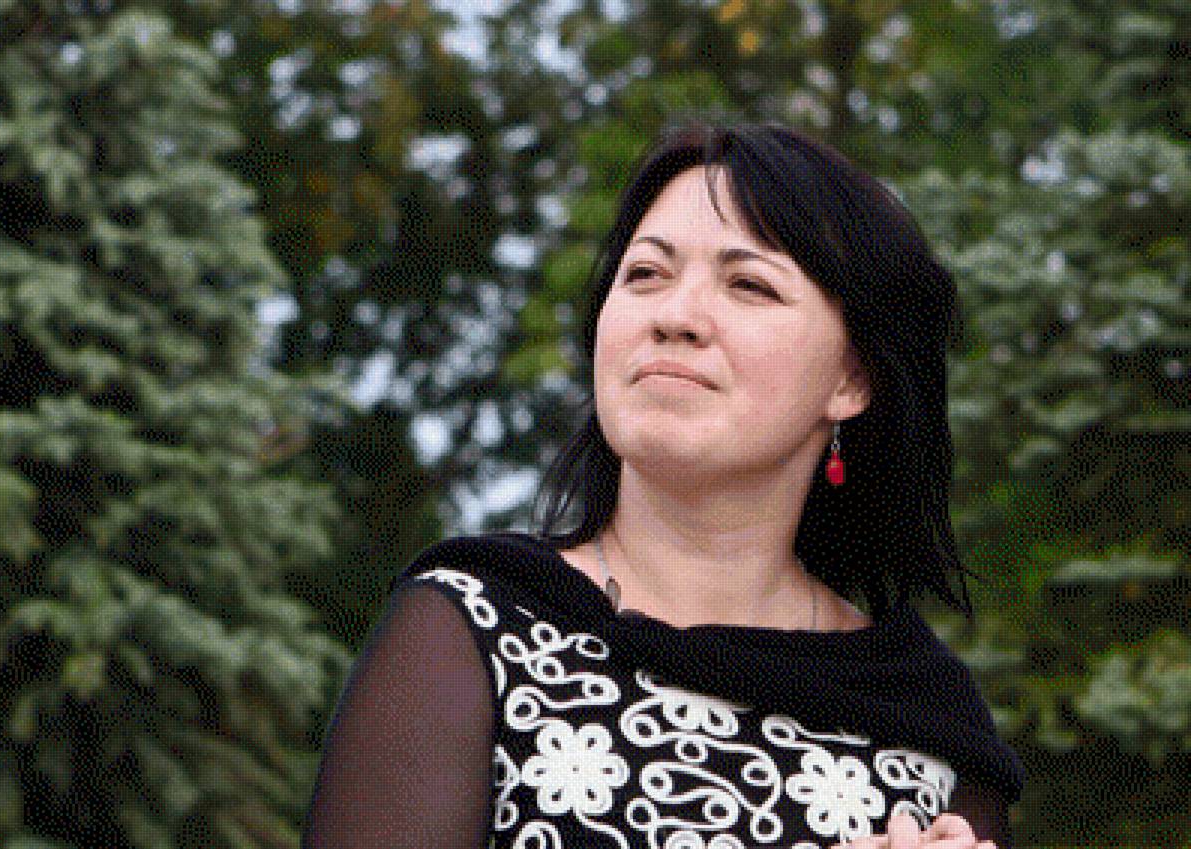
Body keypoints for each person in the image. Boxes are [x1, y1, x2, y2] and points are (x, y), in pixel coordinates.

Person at [302, 120, 1025, 848]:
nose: (675, 317)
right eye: (646, 274)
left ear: (851, 379)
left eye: (749, 284)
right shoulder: (473, 626)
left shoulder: (925, 717)